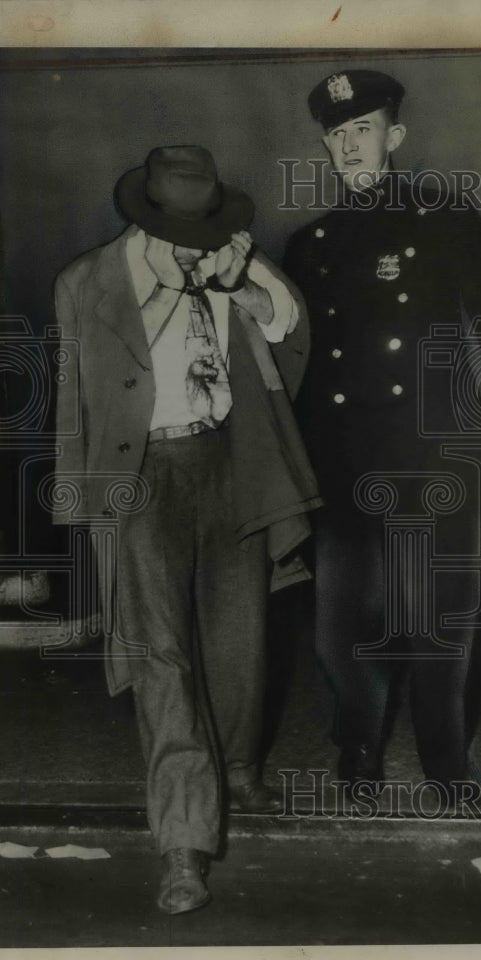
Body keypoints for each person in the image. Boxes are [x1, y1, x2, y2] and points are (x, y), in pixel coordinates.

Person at [53, 145, 321, 914]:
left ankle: (237, 770)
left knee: (239, 639)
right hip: (141, 481)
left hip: (228, 464)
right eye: (179, 233)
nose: (193, 248)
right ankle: (183, 847)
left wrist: (246, 286)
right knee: (161, 658)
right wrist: (85, 514)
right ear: (143, 217)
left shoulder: (230, 264)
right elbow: (75, 401)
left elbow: (293, 330)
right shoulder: (88, 282)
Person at [283, 69, 481, 797]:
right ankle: (358, 752)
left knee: (440, 622)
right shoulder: (312, 244)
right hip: (341, 456)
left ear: (393, 137)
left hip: (436, 450)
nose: (349, 146)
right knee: (342, 629)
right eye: (336, 135)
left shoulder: (443, 219)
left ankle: (447, 763)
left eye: (362, 130)